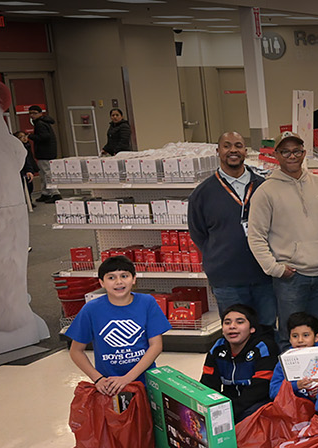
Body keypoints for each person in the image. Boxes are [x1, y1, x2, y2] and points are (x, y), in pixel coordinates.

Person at [247, 131, 318, 350]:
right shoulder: (265, 191)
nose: (292, 156)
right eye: (286, 152)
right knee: (290, 334)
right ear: (276, 155)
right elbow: (256, 236)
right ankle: (289, 374)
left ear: (304, 153)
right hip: (291, 278)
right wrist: (275, 269)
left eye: (297, 151)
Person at [190, 132, 277, 339]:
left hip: (264, 275)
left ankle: (266, 361)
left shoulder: (264, 187)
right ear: (218, 151)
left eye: (238, 145)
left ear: (245, 151)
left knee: (266, 330)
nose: (233, 150)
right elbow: (198, 234)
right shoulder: (203, 193)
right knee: (236, 335)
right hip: (226, 279)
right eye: (227, 146)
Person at [65, 256, 169, 393]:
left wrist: (127, 378)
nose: (119, 282)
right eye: (111, 277)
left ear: (134, 279)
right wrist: (98, 379)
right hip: (108, 385)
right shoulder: (91, 309)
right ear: (101, 283)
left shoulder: (147, 303)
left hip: (145, 382)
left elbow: (156, 346)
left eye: (124, 276)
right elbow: (76, 351)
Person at [200, 304, 276, 421]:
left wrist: (229, 412)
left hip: (258, 403)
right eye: (227, 323)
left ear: (252, 328)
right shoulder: (217, 348)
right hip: (229, 401)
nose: (232, 326)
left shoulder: (263, 348)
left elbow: (260, 389)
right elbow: (207, 384)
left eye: (240, 322)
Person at [268, 312, 318, 400]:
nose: (300, 340)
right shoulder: (284, 362)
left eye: (306, 335)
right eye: (295, 336)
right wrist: (295, 386)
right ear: (289, 339)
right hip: (294, 406)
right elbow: (273, 392)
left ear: (316, 337)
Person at [26, 105, 60, 202]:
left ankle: (54, 193)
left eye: (34, 113)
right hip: (47, 152)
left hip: (45, 153)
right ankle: (46, 193)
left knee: (47, 173)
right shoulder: (44, 122)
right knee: (44, 173)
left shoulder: (40, 124)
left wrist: (31, 136)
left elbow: (44, 137)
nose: (32, 115)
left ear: (40, 113)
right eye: (30, 113)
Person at [15, 130, 40, 198]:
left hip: (28, 168)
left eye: (25, 136)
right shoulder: (19, 148)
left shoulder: (27, 146)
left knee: (30, 186)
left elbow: (30, 159)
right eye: (21, 137)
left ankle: (29, 199)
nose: (24, 138)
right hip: (23, 170)